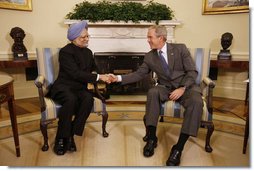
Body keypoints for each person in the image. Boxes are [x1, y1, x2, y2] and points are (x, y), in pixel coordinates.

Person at [109, 25, 203, 166]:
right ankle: (152, 138)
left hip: (186, 87)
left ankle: (178, 148)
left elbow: (192, 72)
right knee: (153, 92)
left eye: (150, 37)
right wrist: (118, 78)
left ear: (161, 38)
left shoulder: (180, 49)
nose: (147, 40)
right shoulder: (149, 56)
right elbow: (138, 74)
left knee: (196, 101)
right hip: (165, 88)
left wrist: (183, 88)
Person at [48, 20, 110, 155]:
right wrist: (99, 77)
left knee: (88, 99)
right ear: (74, 38)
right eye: (83, 37)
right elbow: (75, 73)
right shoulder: (65, 52)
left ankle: (70, 134)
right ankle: (61, 137)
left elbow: (93, 69)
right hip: (64, 87)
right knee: (70, 100)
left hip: (79, 88)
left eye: (87, 36)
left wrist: (100, 74)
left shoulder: (88, 52)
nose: (87, 39)